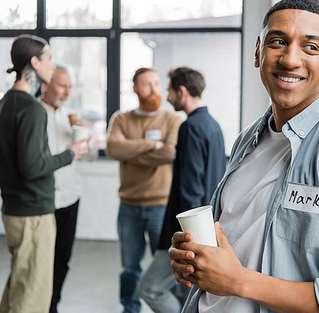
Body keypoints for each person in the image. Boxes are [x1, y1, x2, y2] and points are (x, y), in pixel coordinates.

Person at [169, 0, 319, 313]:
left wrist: (239, 281)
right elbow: (238, 241)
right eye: (277, 41)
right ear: (257, 52)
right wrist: (197, 260)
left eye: (310, 47)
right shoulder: (249, 138)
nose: (290, 59)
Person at [0, 34, 88, 313]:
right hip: (33, 215)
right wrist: (69, 154)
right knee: (33, 297)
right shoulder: (32, 109)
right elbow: (32, 167)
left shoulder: (5, 102)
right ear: (34, 62)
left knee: (18, 287)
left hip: (14, 211)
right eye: (48, 58)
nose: (52, 64)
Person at [138, 67, 227, 313]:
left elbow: (189, 189)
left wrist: (184, 241)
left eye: (169, 91)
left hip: (188, 234)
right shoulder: (213, 125)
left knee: (149, 289)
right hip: (206, 229)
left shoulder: (190, 127)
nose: (167, 97)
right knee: (188, 293)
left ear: (182, 91)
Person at [105, 67, 183, 313]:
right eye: (147, 84)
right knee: (130, 266)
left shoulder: (172, 119)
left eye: (157, 84)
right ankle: (129, 308)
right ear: (135, 88)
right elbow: (113, 149)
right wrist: (151, 145)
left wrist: (130, 149)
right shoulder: (121, 118)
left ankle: (166, 308)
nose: (154, 89)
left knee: (166, 266)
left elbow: (169, 153)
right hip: (128, 205)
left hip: (161, 206)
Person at [39, 66, 96, 313]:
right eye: (62, 85)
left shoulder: (71, 116)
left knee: (61, 261)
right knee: (41, 261)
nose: (67, 91)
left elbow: (91, 156)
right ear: (46, 84)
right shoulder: (34, 114)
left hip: (70, 198)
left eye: (70, 86)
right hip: (44, 201)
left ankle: (53, 305)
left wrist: (86, 136)